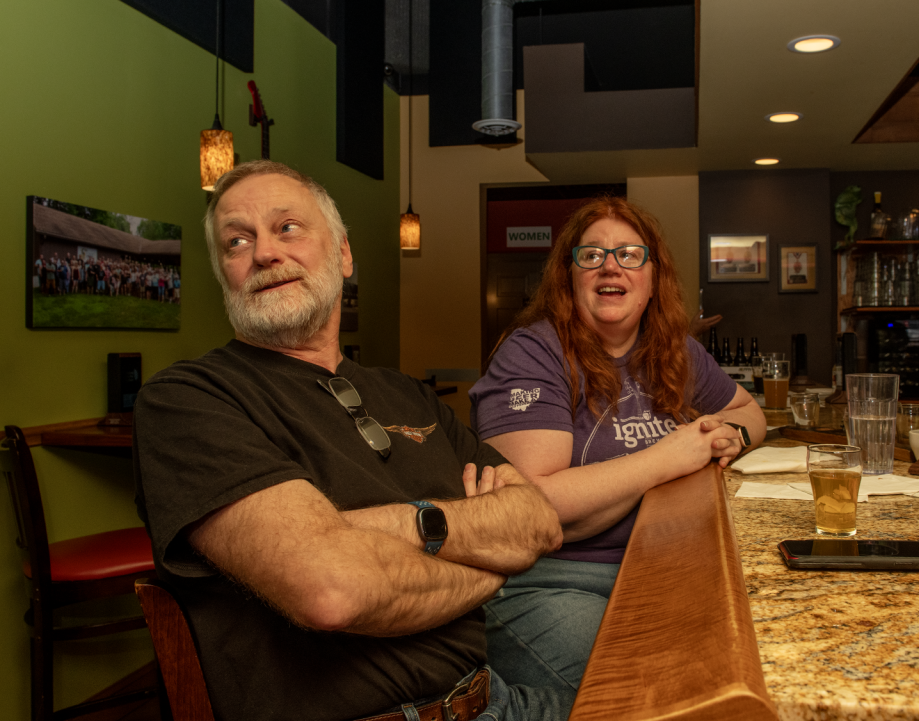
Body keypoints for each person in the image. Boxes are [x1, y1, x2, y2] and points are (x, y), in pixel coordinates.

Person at [133, 160, 573, 721]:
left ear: (342, 255)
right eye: (237, 242)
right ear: (226, 276)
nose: (264, 253)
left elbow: (538, 521)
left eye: (287, 227)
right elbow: (333, 591)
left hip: (495, 700)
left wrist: (369, 530)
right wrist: (492, 560)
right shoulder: (189, 400)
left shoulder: (408, 395)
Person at [468, 196, 766, 697]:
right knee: (667, 692)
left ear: (653, 279)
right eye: (591, 255)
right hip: (551, 581)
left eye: (630, 254)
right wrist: (668, 458)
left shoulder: (672, 348)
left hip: (660, 570)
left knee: (749, 666)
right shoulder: (534, 353)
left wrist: (728, 436)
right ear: (569, 277)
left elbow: (750, 412)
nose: (611, 265)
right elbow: (533, 504)